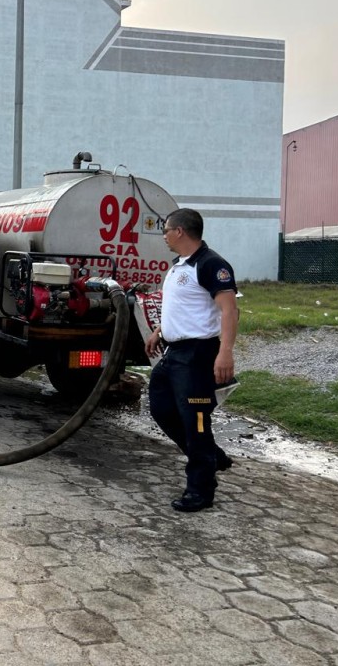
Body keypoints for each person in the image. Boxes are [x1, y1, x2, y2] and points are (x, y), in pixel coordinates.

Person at [144, 208, 238, 513]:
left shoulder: (212, 264)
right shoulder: (178, 266)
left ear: (181, 231)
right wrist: (159, 330)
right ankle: (211, 456)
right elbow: (179, 307)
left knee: (195, 421)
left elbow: (229, 311)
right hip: (174, 352)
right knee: (161, 409)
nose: (164, 236)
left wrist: (225, 352)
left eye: (166, 230)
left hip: (198, 355)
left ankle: (200, 490)